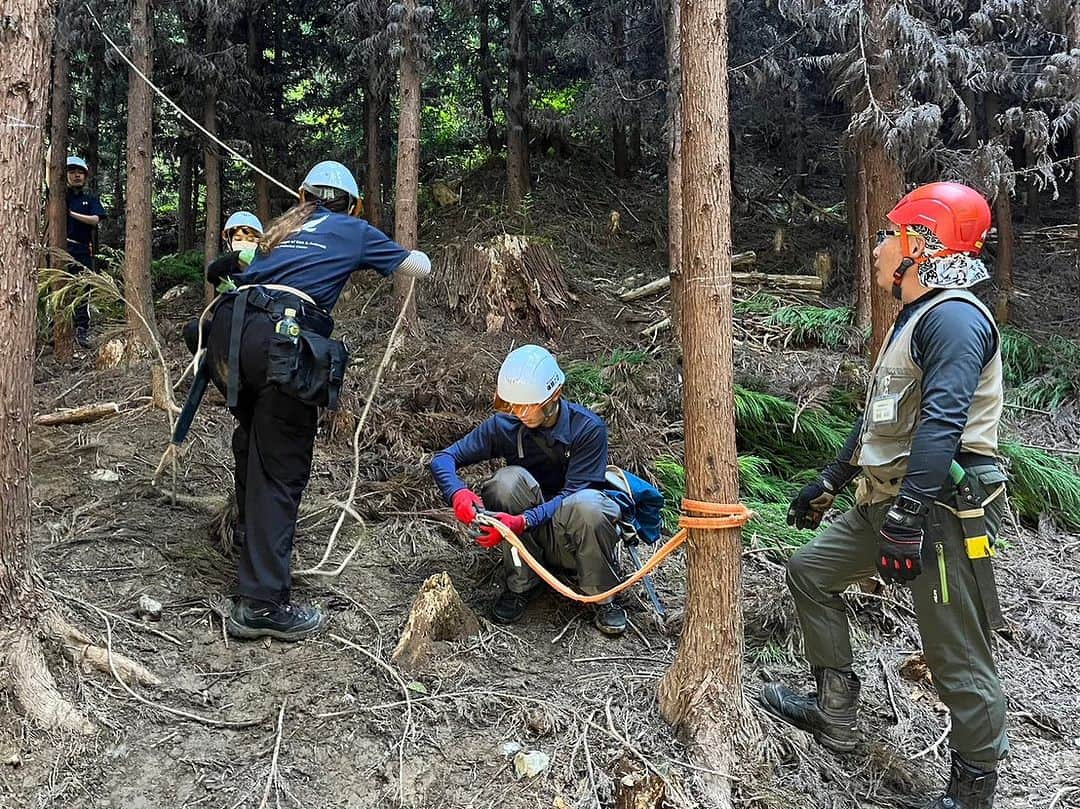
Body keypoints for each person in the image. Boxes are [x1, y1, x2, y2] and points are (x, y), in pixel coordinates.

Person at [760, 182, 1007, 809]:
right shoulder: (916, 319)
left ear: (920, 246)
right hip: (892, 501)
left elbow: (942, 426)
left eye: (885, 236)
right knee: (809, 570)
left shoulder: (952, 317)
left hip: (938, 513)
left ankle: (972, 792)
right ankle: (835, 710)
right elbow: (881, 415)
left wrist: (906, 520)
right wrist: (832, 479)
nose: (874, 249)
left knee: (955, 656)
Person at [204, 160, 431, 642]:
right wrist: (414, 254)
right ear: (351, 203)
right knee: (281, 467)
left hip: (231, 336)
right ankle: (262, 604)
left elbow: (241, 268)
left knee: (253, 443)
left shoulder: (281, 231)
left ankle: (249, 547)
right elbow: (416, 266)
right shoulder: (352, 229)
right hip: (281, 342)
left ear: (304, 193)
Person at [430, 345, 646, 636]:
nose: (518, 413)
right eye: (513, 405)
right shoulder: (505, 425)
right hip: (530, 539)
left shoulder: (587, 429)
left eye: (527, 405)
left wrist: (521, 521)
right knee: (506, 482)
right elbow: (443, 459)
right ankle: (521, 582)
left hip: (573, 535)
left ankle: (601, 594)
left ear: (553, 396)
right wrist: (457, 493)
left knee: (589, 505)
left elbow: (573, 495)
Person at [183, 210, 264, 355]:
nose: (244, 243)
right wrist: (237, 257)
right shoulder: (223, 268)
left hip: (254, 330)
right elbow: (212, 273)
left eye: (251, 240)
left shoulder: (265, 267)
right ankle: (205, 368)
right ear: (229, 241)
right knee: (194, 329)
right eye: (238, 239)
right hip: (224, 328)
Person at [64, 156, 107, 348]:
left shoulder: (90, 200)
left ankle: (82, 329)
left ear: (85, 176)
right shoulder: (60, 196)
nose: (76, 176)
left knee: (82, 289)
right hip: (60, 248)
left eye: (80, 172)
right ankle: (57, 325)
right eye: (72, 172)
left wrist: (71, 214)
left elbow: (95, 220)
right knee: (59, 286)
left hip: (81, 249)